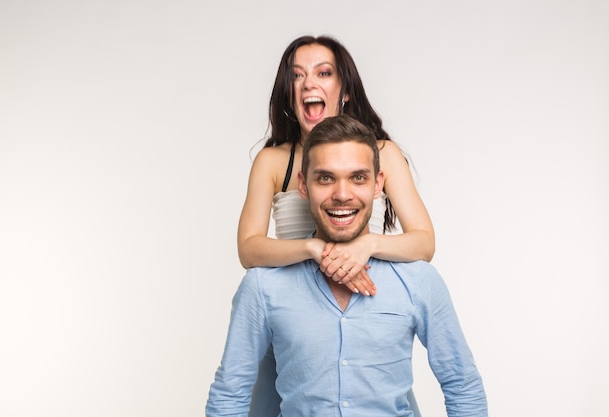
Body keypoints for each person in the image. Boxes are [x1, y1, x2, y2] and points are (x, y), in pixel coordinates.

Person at [207, 115, 487, 417]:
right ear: (303, 185)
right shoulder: (263, 288)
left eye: (358, 177)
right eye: (326, 178)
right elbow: (230, 393)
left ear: (378, 184)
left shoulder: (418, 281)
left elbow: (462, 385)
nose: (342, 194)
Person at [237, 35, 434, 416]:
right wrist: (314, 249)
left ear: (343, 90)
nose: (309, 83)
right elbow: (249, 248)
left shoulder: (382, 153)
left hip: (365, 316)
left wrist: (366, 246)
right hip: (292, 324)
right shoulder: (273, 161)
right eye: (297, 76)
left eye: (323, 73)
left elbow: (424, 242)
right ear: (288, 92)